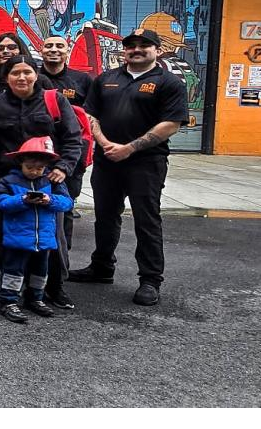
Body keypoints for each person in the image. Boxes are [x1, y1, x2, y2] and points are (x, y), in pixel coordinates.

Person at [69, 28, 189, 307]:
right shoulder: (107, 79)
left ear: (157, 50)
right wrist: (105, 143)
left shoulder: (169, 82)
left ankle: (150, 279)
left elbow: (171, 123)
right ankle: (101, 267)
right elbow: (90, 114)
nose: (136, 49)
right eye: (131, 46)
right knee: (105, 216)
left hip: (146, 162)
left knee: (147, 220)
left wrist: (130, 148)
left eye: (144, 45)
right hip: (107, 160)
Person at [0, 55, 83, 308]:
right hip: (11, 181)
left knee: (53, 239)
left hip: (49, 179)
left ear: (36, 75)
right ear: (6, 78)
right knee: (11, 237)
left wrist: (63, 168)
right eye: (15, 73)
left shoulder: (53, 100)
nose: (22, 77)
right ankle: (12, 292)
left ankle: (55, 288)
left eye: (27, 72)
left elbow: (73, 137)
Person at [0, 137, 74, 323]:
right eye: (30, 167)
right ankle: (8, 300)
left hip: (44, 239)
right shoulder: (8, 181)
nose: (34, 172)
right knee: (13, 270)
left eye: (39, 168)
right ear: (21, 162)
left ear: (46, 165)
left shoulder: (52, 181)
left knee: (40, 271)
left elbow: (68, 203)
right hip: (17, 238)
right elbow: (0, 202)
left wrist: (49, 200)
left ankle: (35, 297)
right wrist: (22, 200)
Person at [38, 35, 94, 304]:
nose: (54, 50)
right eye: (49, 45)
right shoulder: (31, 76)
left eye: (59, 46)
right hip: (36, 165)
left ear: (67, 50)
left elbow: (85, 126)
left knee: (63, 216)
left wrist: (70, 164)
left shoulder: (82, 81)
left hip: (67, 165)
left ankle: (61, 270)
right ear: (41, 49)